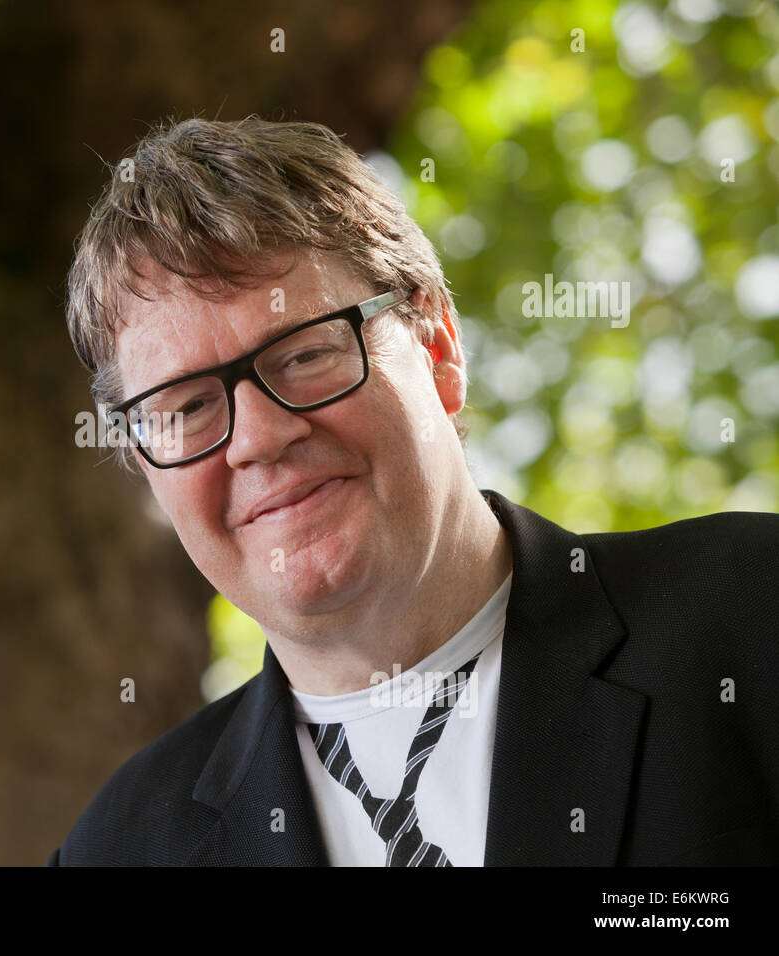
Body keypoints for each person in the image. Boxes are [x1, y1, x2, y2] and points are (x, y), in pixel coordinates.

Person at [47, 115, 779, 866]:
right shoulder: (119, 849)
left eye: (304, 354)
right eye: (188, 408)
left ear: (437, 349)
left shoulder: (752, 616)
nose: (259, 437)